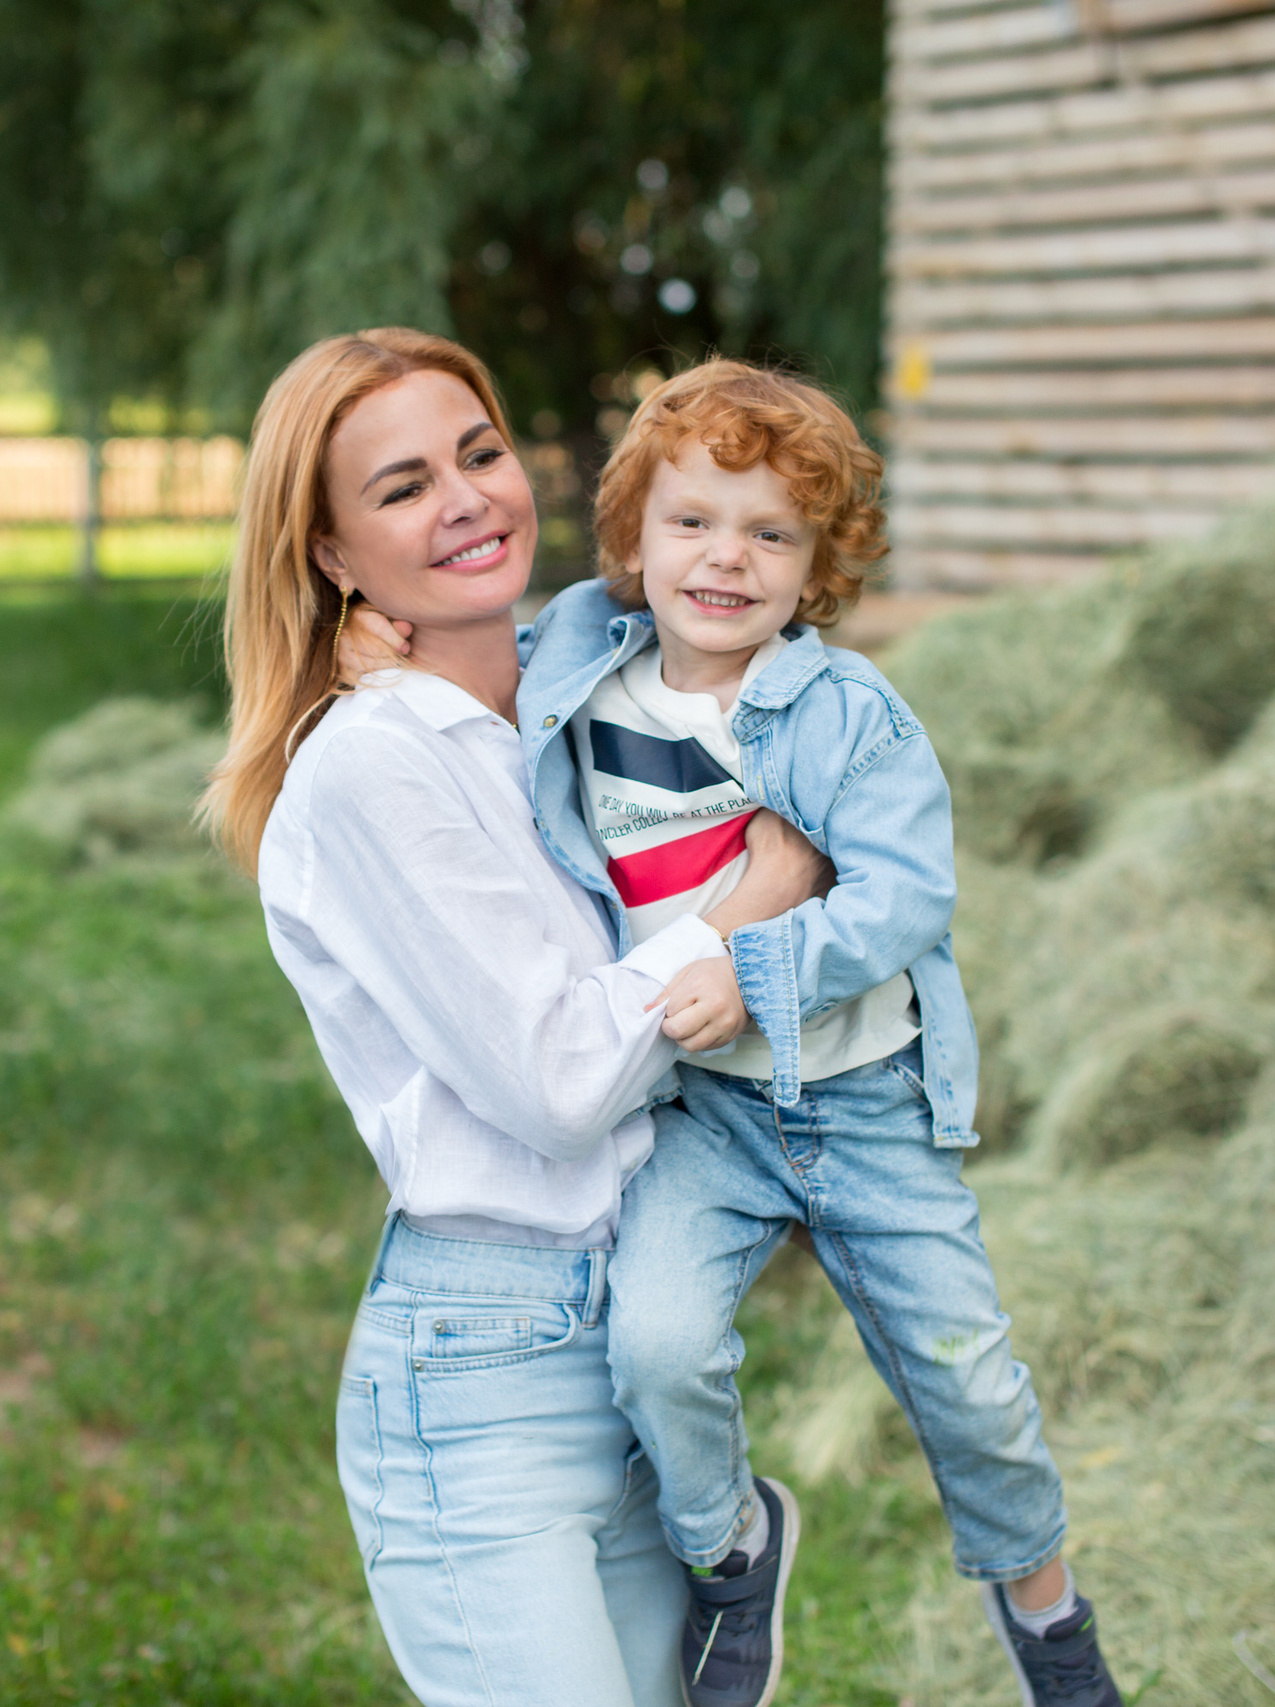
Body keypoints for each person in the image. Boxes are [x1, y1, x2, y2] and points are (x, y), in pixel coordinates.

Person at [348, 359, 1123, 1707]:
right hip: (703, 1117)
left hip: (859, 1102)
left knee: (970, 1386)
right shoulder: (579, 667)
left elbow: (906, 895)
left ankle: (1048, 1616)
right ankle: (729, 1546)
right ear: (634, 540)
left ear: (820, 565)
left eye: (773, 535)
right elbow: (464, 663)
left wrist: (757, 966)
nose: (728, 559)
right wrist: (376, 640)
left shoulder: (845, 712)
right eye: (695, 522)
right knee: (654, 1349)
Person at [199, 328, 832, 1707]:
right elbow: (558, 1074)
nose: (468, 498)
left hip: (644, 1336)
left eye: (479, 453)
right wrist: (750, 901)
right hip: (485, 1374)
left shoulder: (574, 707)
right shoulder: (371, 768)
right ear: (330, 553)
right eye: (403, 487)